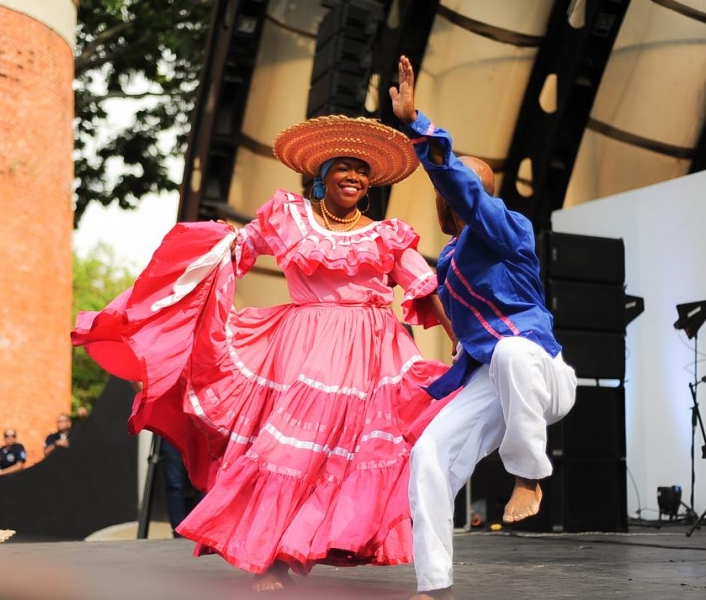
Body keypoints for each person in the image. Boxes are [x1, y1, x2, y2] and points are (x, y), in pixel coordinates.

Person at [72, 115, 459, 591]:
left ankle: (319, 543)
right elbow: (238, 250)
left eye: (362, 170)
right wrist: (195, 275)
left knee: (354, 454)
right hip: (302, 347)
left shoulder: (386, 234)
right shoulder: (290, 218)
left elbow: (423, 283)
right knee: (286, 451)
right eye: (344, 166)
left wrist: (456, 333)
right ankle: (273, 556)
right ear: (323, 173)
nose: (354, 176)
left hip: (371, 352)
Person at [390, 55, 578, 599]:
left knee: (511, 353)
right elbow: (455, 328)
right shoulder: (448, 264)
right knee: (428, 454)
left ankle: (528, 477)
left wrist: (418, 127)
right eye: (442, 190)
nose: (446, 197)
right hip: (491, 382)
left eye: (459, 188)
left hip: (541, 376)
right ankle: (435, 583)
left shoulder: (508, 230)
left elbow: (469, 195)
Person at [158, 437, 204, 538]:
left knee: (201, 484)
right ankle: (179, 532)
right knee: (174, 485)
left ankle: (200, 530)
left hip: (198, 431)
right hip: (172, 433)